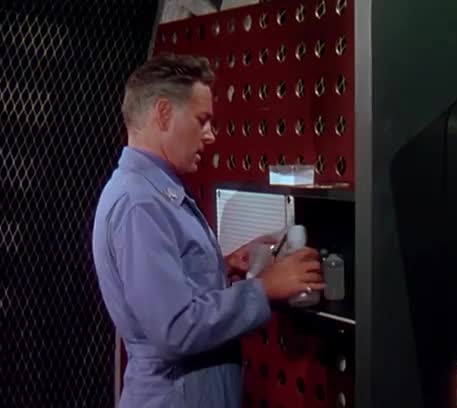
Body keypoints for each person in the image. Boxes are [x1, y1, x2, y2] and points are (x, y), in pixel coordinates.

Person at [91, 53, 324, 407]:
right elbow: (175, 329)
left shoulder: (149, 193)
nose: (211, 136)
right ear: (164, 114)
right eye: (202, 121)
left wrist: (221, 268)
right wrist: (264, 288)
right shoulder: (141, 204)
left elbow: (166, 291)